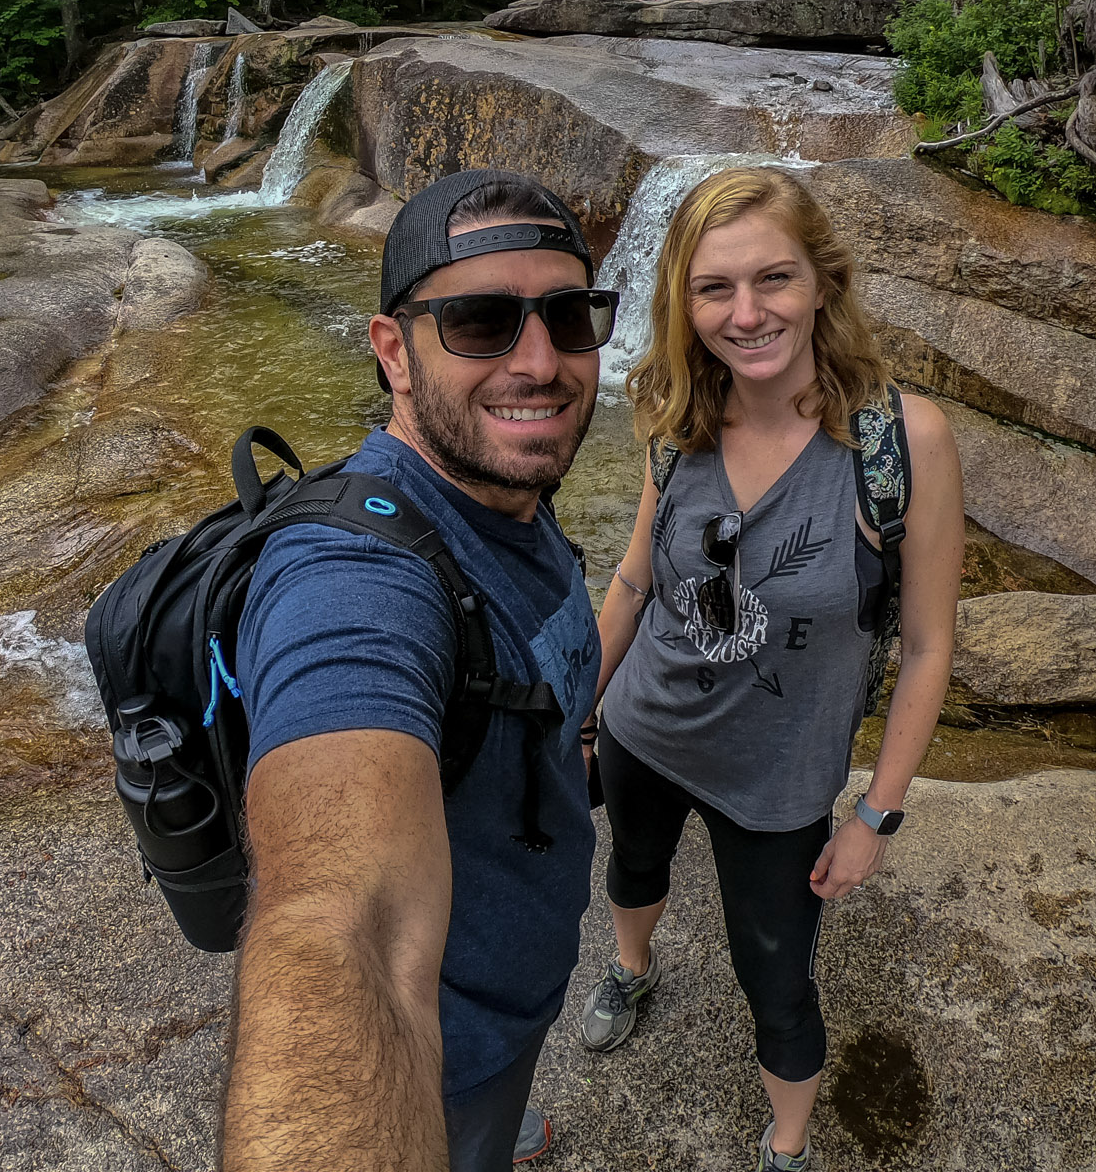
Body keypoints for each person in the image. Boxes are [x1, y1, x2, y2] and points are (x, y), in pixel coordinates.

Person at [225, 169, 617, 1172]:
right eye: (481, 323)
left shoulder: (504, 478)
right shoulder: (351, 576)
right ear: (393, 352)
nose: (540, 364)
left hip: (517, 986)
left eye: (568, 316)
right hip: (442, 1058)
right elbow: (339, 921)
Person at [577, 167, 962, 1172]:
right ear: (684, 302)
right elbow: (633, 581)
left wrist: (875, 815)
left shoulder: (900, 443)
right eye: (714, 289)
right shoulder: (677, 409)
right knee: (631, 867)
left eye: (773, 279)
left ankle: (786, 1145)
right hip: (643, 729)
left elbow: (928, 647)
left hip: (779, 779)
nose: (745, 315)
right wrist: (577, 705)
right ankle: (629, 967)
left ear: (822, 282)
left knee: (778, 982)